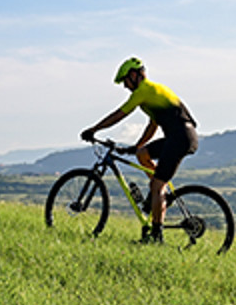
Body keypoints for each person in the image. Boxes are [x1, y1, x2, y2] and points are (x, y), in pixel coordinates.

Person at [80, 57, 199, 243]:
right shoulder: (154, 94)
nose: (125, 87)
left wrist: (94, 129)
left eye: (125, 81)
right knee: (142, 155)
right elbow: (153, 125)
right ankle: (158, 196)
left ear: (134, 76)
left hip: (180, 138)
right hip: (181, 136)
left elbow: (119, 114)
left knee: (157, 185)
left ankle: (156, 235)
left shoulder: (143, 91)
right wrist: (137, 146)